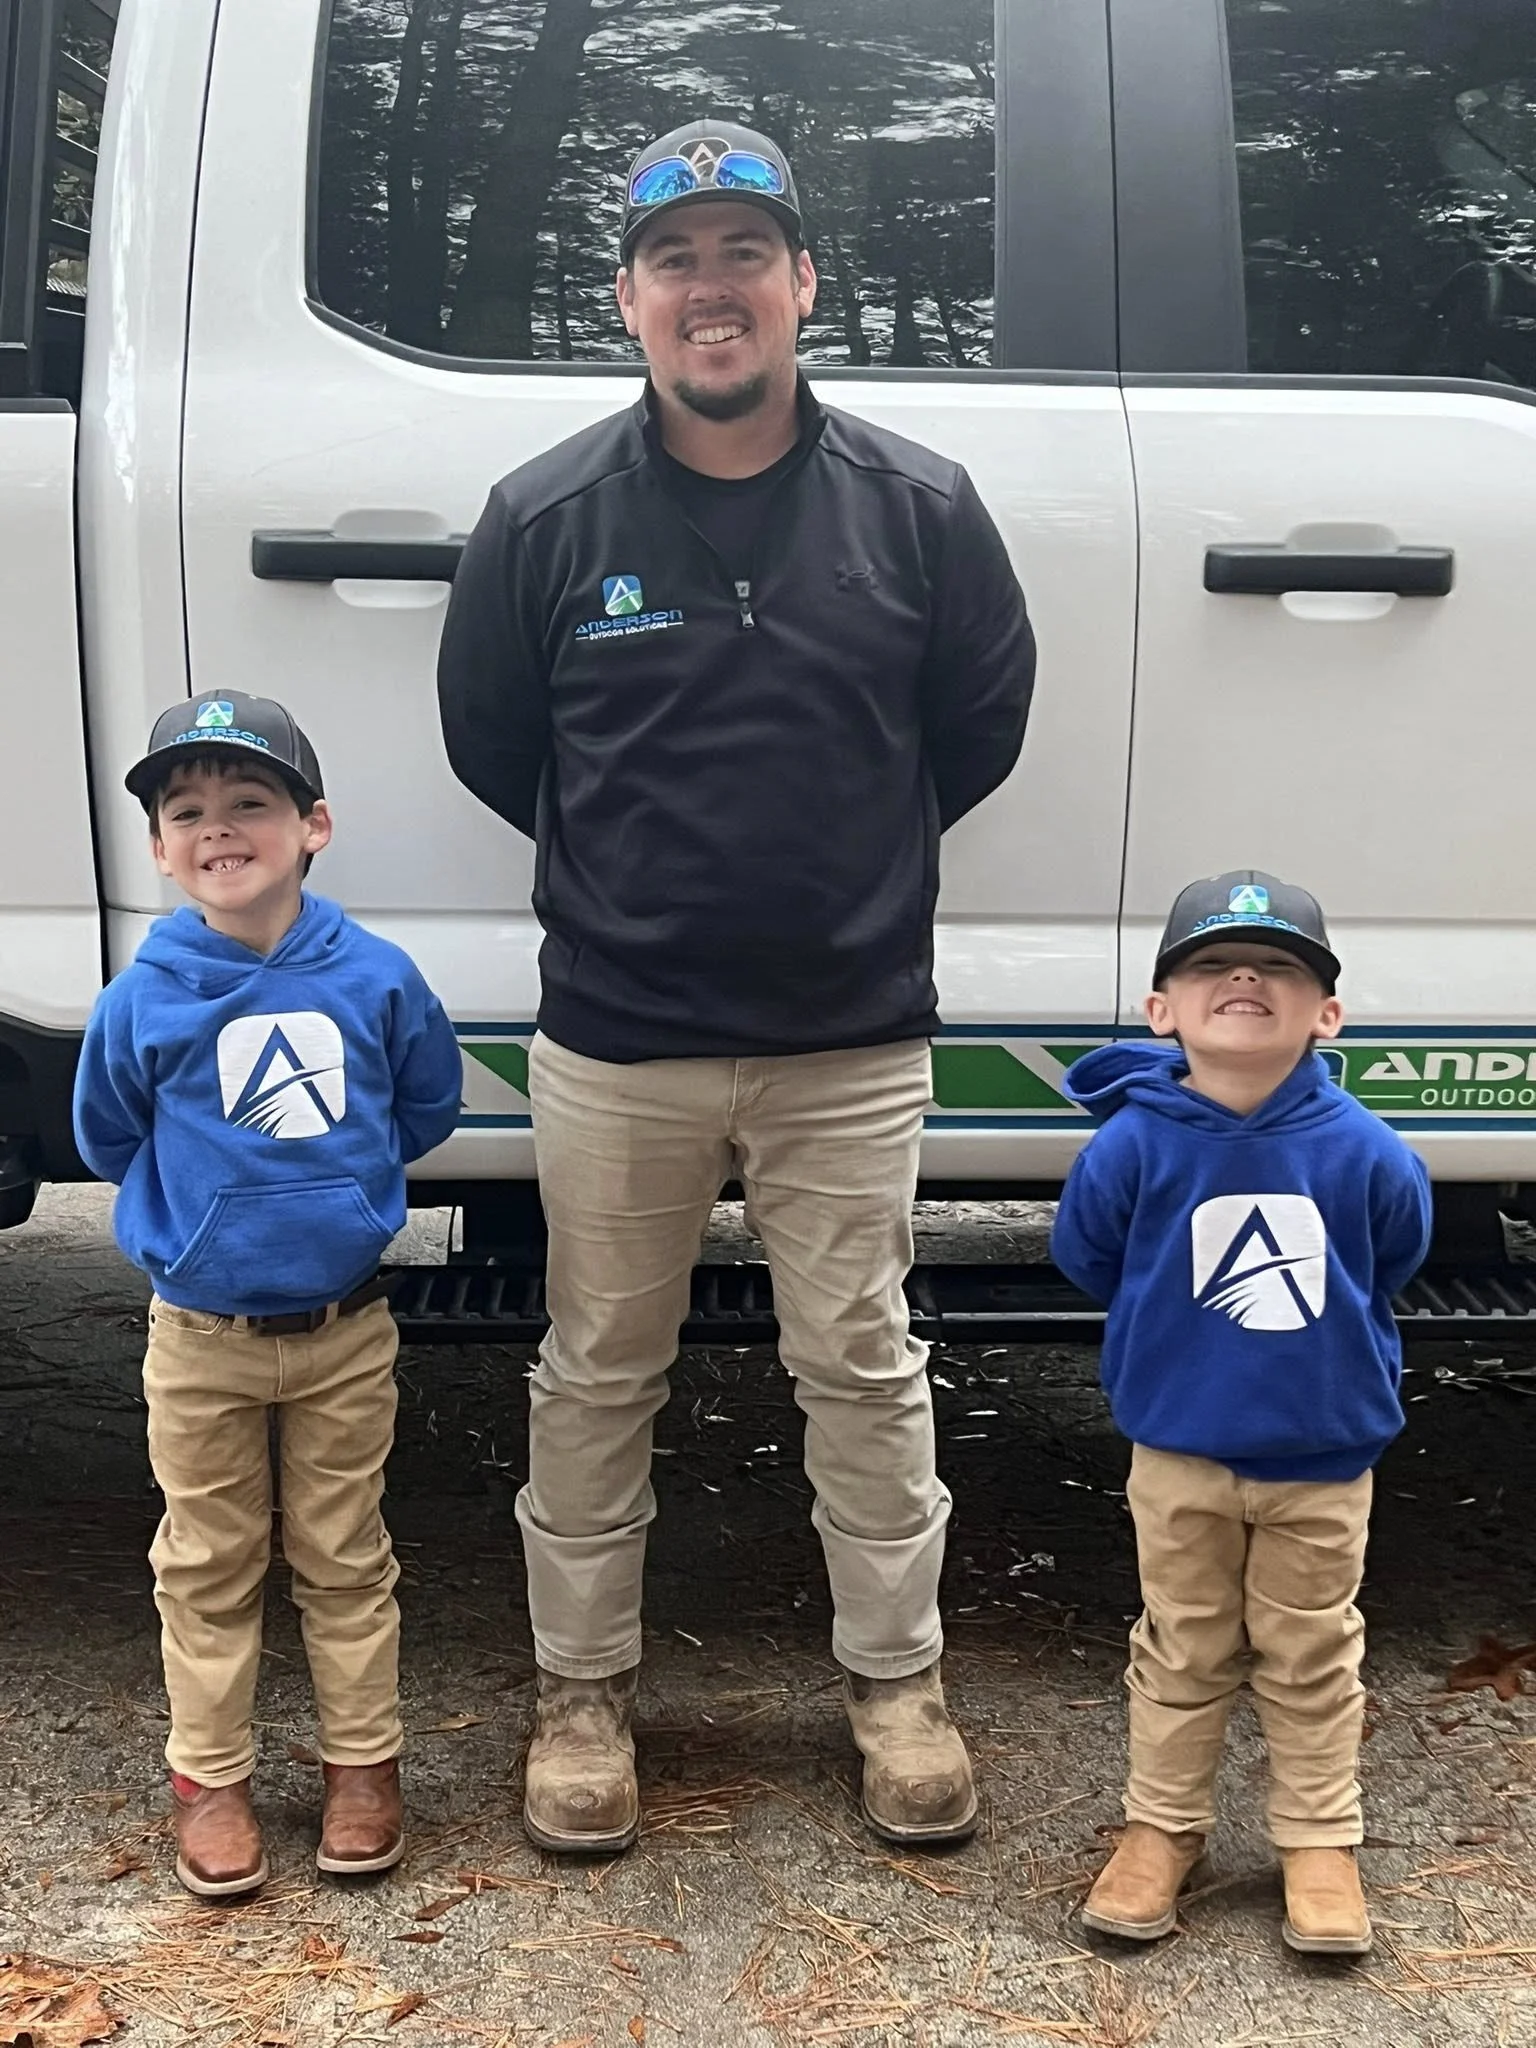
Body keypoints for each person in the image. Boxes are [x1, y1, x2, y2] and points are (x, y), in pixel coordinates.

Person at [438, 119, 1035, 1854]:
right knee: (596, 1366)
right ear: (628, 299)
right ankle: (580, 1693)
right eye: (679, 261)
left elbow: (972, 731)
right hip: (620, 1037)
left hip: (848, 1040)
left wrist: (834, 862)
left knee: (858, 1365)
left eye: (745, 256)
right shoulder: (545, 517)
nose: (715, 291)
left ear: (802, 288)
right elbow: (498, 744)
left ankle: (898, 1683)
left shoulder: (919, 511)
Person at [73, 690, 463, 1898]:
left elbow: (427, 1102)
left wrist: (341, 1207)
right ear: (158, 848)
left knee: (347, 1555)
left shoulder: (376, 977)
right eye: (187, 810)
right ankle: (214, 1778)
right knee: (206, 1561)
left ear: (314, 827)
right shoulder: (144, 993)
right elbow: (106, 1135)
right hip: (200, 1337)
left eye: (250, 802)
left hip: (345, 1330)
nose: (218, 827)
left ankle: (363, 1767)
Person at [1051, 871, 1432, 1955]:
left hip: (1324, 1455)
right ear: (1162, 1009)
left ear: (1327, 1013)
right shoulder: (1130, 1145)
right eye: (1213, 965)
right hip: (1180, 1451)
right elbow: (1090, 1255)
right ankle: (1163, 1828)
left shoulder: (1366, 1150)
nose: (1247, 980)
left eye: (1281, 966)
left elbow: (1389, 1254)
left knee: (1311, 1649)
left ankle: (1318, 1837)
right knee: (1183, 1642)